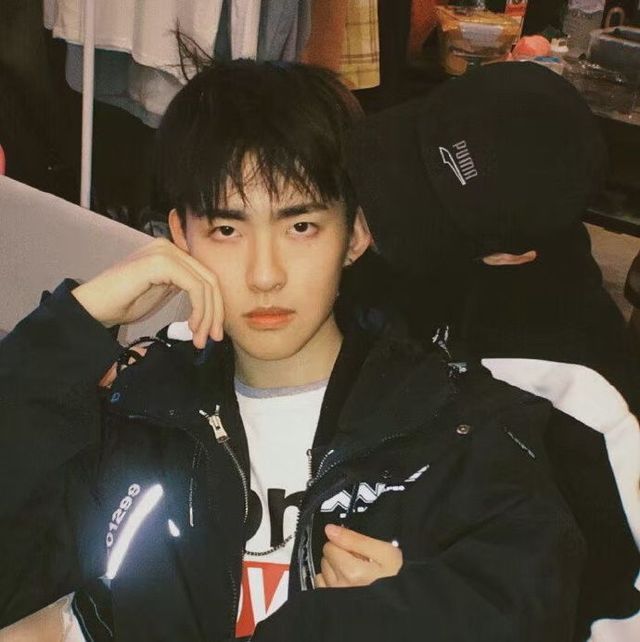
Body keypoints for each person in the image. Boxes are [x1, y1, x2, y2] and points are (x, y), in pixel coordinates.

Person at [1, 59, 584, 642]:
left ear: (355, 234)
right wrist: (70, 329)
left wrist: (402, 617)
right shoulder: (139, 415)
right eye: (227, 230)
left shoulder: (458, 430)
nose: (265, 275)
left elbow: (535, 599)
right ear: (180, 238)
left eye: (300, 227)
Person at [345, 61, 640, 640]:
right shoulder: (462, 250)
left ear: (510, 256)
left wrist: (429, 599)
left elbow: (608, 609)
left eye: (414, 212)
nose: (368, 216)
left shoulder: (581, 404)